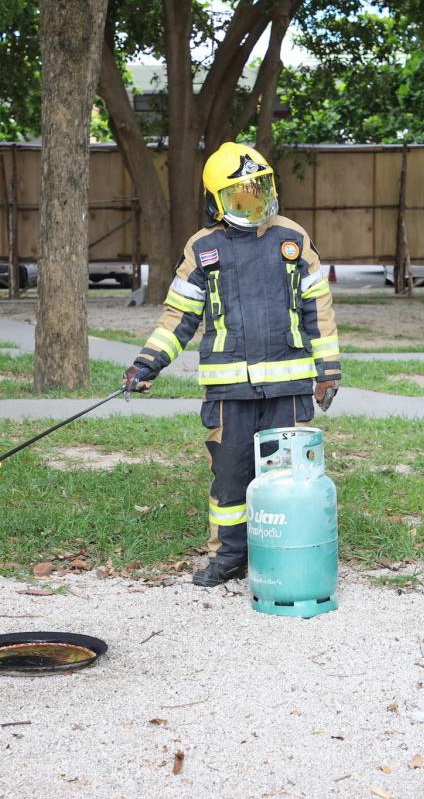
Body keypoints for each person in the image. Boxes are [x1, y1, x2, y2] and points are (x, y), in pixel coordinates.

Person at [123, 142, 341, 587]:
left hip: (289, 388)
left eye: (258, 191)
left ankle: (286, 553)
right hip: (229, 393)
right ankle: (229, 556)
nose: (253, 204)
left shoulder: (293, 239)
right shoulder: (203, 248)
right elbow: (179, 316)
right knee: (230, 475)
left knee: (287, 476)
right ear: (216, 202)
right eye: (240, 197)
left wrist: (328, 371)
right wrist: (146, 364)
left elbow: (318, 310)